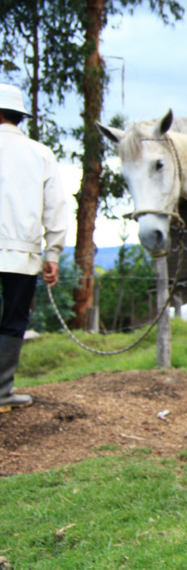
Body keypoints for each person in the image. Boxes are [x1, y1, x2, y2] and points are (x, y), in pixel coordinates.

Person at [0, 84, 68, 412]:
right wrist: (52, 253)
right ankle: (1, 393)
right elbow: (56, 207)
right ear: (18, 116)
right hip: (21, 254)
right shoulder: (41, 154)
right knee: (13, 321)